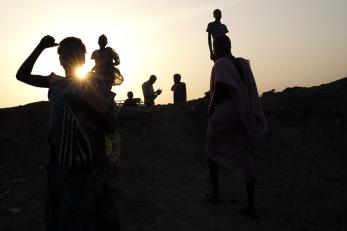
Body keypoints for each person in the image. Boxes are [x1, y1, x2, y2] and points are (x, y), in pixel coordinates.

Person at [16, 35, 121, 230]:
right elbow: (22, 75)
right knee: (64, 215)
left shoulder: (95, 84)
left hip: (89, 165)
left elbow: (109, 122)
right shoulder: (55, 82)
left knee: (90, 215)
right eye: (65, 54)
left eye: (74, 54)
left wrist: (82, 104)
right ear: (61, 60)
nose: (69, 58)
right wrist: (40, 47)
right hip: (61, 164)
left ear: (82, 59)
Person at [201, 35, 267, 219]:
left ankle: (215, 194)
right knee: (245, 156)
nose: (213, 50)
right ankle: (251, 204)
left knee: (211, 151)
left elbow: (221, 87)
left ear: (221, 46)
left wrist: (210, 107)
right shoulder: (242, 64)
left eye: (215, 46)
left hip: (226, 112)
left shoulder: (221, 63)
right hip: (242, 113)